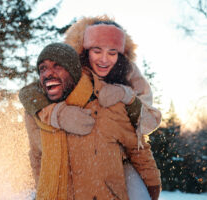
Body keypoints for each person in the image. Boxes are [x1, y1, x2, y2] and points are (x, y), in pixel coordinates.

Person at [19, 42, 161, 200]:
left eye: (57, 66)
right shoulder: (36, 114)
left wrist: (152, 187)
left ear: (73, 71)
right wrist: (43, 191)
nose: (47, 74)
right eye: (42, 68)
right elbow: (37, 157)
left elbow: (137, 150)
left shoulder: (107, 105)